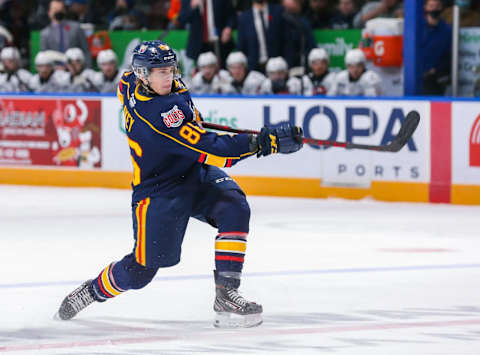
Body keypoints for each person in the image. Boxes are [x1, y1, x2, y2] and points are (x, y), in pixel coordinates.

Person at [56, 40, 304, 328]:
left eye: (170, 69)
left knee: (235, 207)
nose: (168, 77)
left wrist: (193, 123)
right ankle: (91, 291)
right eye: (159, 72)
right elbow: (215, 151)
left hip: (192, 173)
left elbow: (185, 124)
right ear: (143, 74)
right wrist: (265, 143)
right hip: (159, 191)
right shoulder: (157, 114)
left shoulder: (129, 82)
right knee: (140, 272)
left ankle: (226, 294)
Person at [177, 0, 236, 66]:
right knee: (202, 73)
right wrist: (191, 7)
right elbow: (181, 20)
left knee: (222, 71)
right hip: (198, 45)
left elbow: (232, 16)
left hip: (219, 42)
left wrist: (228, 28)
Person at [40, 0, 92, 67]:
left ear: (64, 11)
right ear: (49, 12)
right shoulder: (45, 33)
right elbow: (44, 56)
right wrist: (55, 68)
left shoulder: (76, 28)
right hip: (54, 73)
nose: (58, 12)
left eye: (61, 9)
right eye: (55, 9)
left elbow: (86, 51)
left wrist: (86, 69)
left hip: (75, 70)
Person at [237, 0, 285, 72]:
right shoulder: (244, 18)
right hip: (254, 69)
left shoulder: (278, 11)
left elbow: (286, 40)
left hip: (278, 67)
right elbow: (241, 46)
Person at [422, 0, 452, 95]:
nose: (434, 9)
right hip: (417, 76)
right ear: (425, 7)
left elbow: (449, 55)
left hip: (437, 78)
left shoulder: (447, 30)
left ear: (441, 7)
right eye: (431, 6)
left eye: (437, 6)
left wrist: (435, 70)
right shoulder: (417, 28)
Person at [281, 0, 316, 69]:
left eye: (297, 2)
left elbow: (311, 45)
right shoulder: (276, 18)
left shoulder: (304, 22)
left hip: (300, 62)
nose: (295, 4)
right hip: (280, 63)